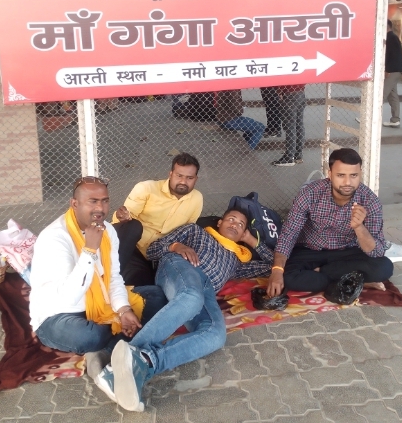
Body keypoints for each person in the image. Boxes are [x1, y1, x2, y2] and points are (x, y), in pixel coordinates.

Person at [95, 209, 273, 412]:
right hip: (178, 266)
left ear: (243, 234)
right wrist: (176, 246)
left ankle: (142, 362)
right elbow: (153, 250)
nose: (234, 225)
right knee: (192, 297)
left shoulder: (238, 260)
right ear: (219, 222)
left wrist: (251, 240)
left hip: (206, 290)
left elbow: (271, 265)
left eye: (240, 225)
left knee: (216, 335)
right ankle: (122, 363)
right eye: (231, 219)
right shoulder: (195, 231)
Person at [28, 176, 166, 384]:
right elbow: (69, 298)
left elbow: (113, 277)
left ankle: (103, 352)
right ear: (75, 204)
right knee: (90, 337)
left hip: (100, 303)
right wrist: (90, 250)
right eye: (92, 201)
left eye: (105, 201)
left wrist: (123, 310)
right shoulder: (54, 237)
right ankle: (120, 346)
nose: (100, 208)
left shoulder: (108, 230)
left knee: (156, 296)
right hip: (58, 314)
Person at [266, 148, 394, 296]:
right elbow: (289, 234)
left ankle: (325, 274)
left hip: (346, 253)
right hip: (310, 251)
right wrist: (277, 270)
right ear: (330, 174)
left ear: (360, 174)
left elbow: (377, 251)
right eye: (341, 175)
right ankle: (354, 280)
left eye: (353, 175)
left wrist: (359, 227)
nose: (347, 182)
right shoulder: (310, 193)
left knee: (384, 268)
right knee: (289, 278)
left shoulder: (370, 201)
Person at [112, 153, 203, 287]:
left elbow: (186, 231)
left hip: (155, 256)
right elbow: (124, 223)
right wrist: (122, 217)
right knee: (134, 227)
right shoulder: (146, 189)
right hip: (129, 247)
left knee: (147, 288)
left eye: (189, 178)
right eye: (179, 176)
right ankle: (107, 278)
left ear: (196, 179)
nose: (183, 182)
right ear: (170, 174)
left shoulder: (197, 199)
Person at [271, 84, 306, 166]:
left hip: (289, 93)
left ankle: (289, 157)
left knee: (290, 127)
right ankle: (298, 154)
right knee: (299, 124)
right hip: (301, 92)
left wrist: (279, 92)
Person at [384, 19, 402, 128]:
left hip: (391, 71)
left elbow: (393, 55)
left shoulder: (391, 38)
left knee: (380, 94)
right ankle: (395, 120)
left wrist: (387, 70)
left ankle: (368, 118)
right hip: (394, 70)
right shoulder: (390, 37)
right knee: (392, 96)